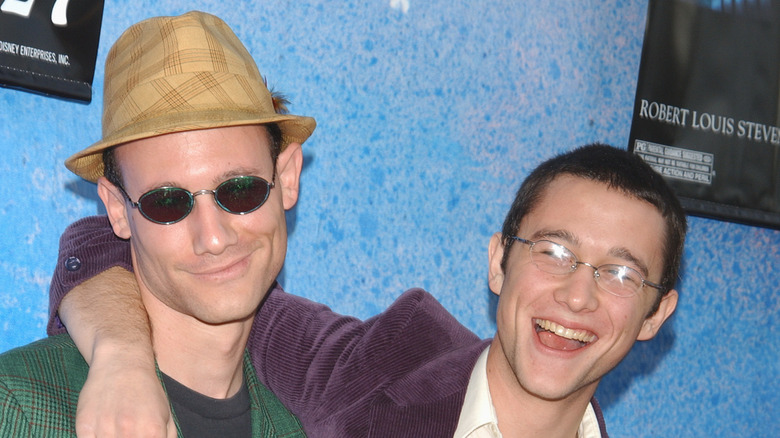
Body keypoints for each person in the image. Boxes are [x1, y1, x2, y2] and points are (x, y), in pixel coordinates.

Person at [48, 137, 687, 437]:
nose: (578, 297)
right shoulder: (380, 362)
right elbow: (117, 243)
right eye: (553, 251)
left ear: (657, 314)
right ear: (498, 263)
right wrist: (122, 358)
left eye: (621, 273)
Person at [0, 10, 321, 437]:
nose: (213, 237)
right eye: (167, 203)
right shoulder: (19, 407)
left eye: (240, 190)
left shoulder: (321, 420)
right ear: (118, 210)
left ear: (287, 178)